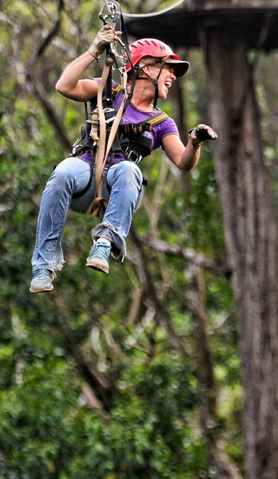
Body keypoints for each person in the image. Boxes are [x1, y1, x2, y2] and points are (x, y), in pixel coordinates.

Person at [28, 24, 218, 293]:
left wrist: (195, 141)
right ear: (147, 68)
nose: (173, 77)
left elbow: (183, 162)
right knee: (62, 172)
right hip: (85, 175)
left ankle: (105, 243)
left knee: (129, 170)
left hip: (117, 190)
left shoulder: (162, 123)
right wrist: (94, 51)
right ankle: (43, 266)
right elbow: (64, 86)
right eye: (169, 69)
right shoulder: (107, 91)